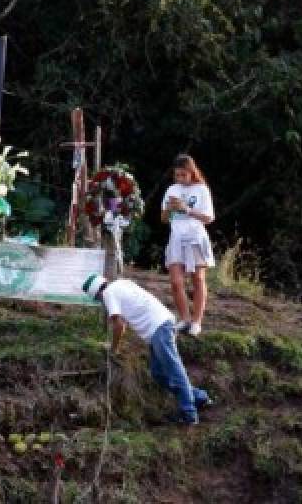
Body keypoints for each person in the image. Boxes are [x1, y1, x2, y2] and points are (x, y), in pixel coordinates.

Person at [82, 273, 212, 425]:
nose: (101, 302)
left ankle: (189, 415)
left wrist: (113, 349)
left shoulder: (108, 293)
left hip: (159, 328)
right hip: (160, 325)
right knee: (159, 374)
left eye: (98, 299)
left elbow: (119, 325)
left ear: (98, 293)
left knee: (174, 371)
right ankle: (200, 397)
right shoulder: (121, 283)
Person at [161, 154, 215, 336]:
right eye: (177, 175)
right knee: (176, 282)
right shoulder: (171, 190)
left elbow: (208, 218)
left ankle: (196, 321)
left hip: (195, 237)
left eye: (184, 175)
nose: (180, 179)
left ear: (192, 173)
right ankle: (184, 319)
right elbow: (163, 218)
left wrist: (187, 209)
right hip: (176, 237)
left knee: (198, 279)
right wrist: (169, 208)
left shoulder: (202, 190)